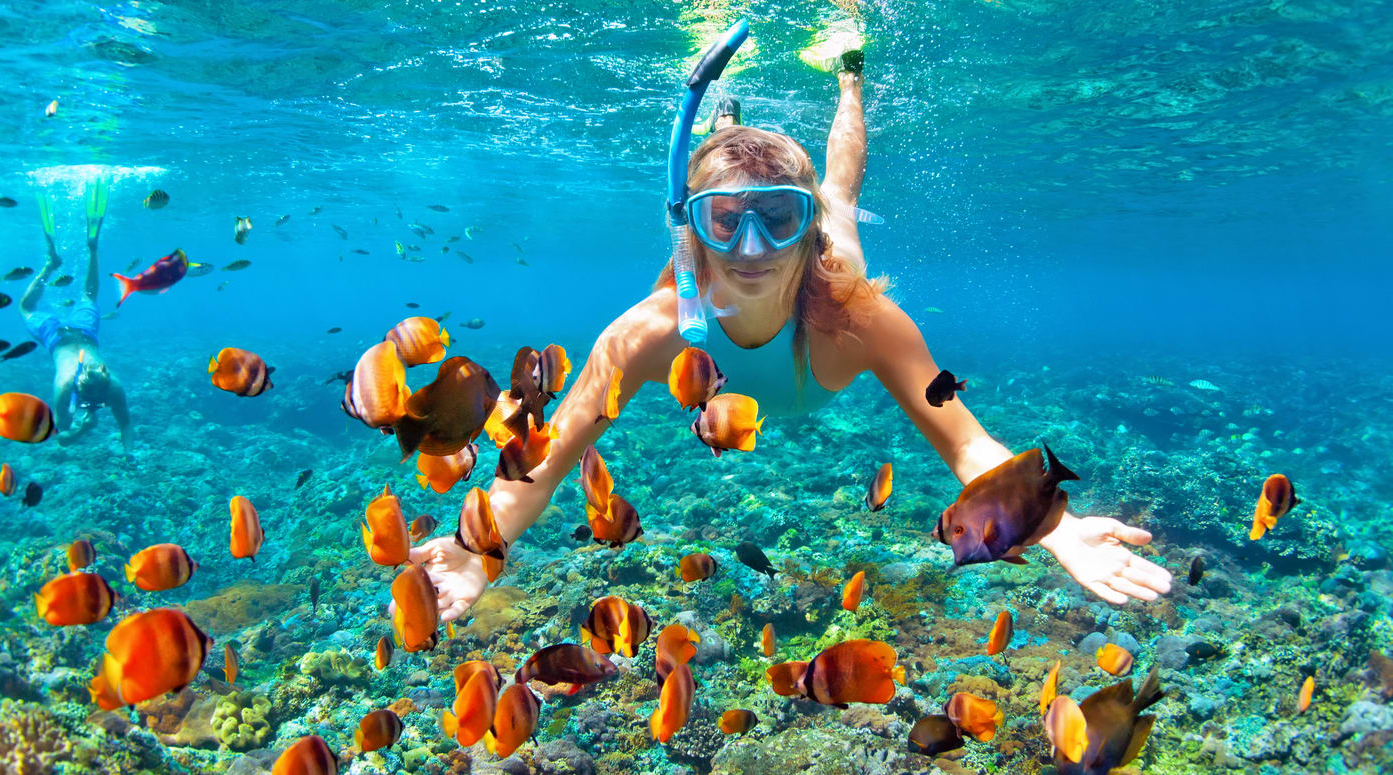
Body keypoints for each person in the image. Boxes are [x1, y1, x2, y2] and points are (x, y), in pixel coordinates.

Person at [407, 40, 1173, 622]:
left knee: (839, 188)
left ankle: (847, 74)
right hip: (692, 282)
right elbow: (545, 458)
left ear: (807, 235)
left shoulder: (860, 318)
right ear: (693, 232)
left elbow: (968, 443)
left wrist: (1053, 523)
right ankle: (726, 124)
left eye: (779, 218)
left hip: (830, 267)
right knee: (734, 169)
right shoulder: (649, 331)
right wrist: (482, 547)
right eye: (724, 221)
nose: (749, 249)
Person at [19, 179, 134, 453]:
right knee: (77, 299)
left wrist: (127, 454)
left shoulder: (85, 386)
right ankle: (85, 251)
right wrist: (83, 429)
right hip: (59, 337)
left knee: (79, 298)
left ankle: (61, 261)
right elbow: (66, 437)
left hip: (80, 333)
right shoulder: (75, 386)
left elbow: (62, 432)